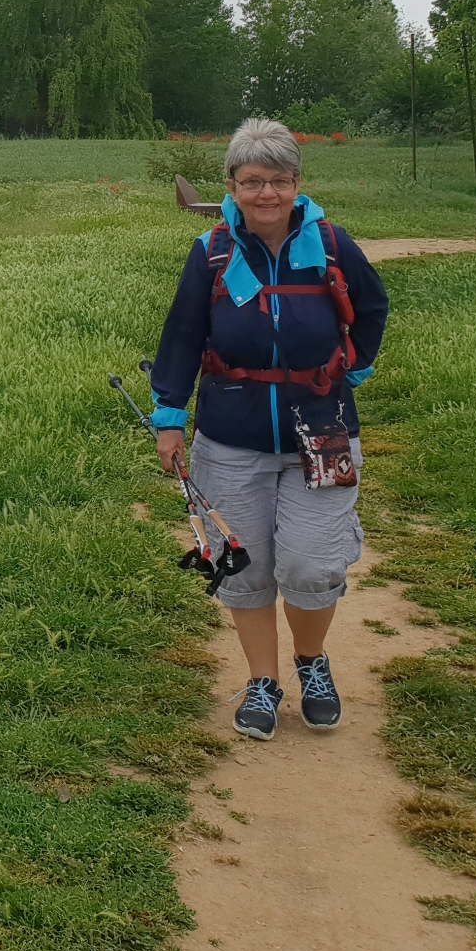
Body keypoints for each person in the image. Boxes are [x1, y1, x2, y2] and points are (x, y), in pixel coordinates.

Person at [149, 118, 390, 739]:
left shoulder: (332, 244)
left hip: (324, 430)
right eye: (252, 181)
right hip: (230, 438)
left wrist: (354, 366)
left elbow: (372, 306)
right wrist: (169, 419)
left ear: (296, 185)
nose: (266, 194)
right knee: (245, 566)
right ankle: (263, 681)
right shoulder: (212, 252)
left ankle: (312, 663)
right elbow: (181, 338)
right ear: (231, 185)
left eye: (278, 181)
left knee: (312, 565)